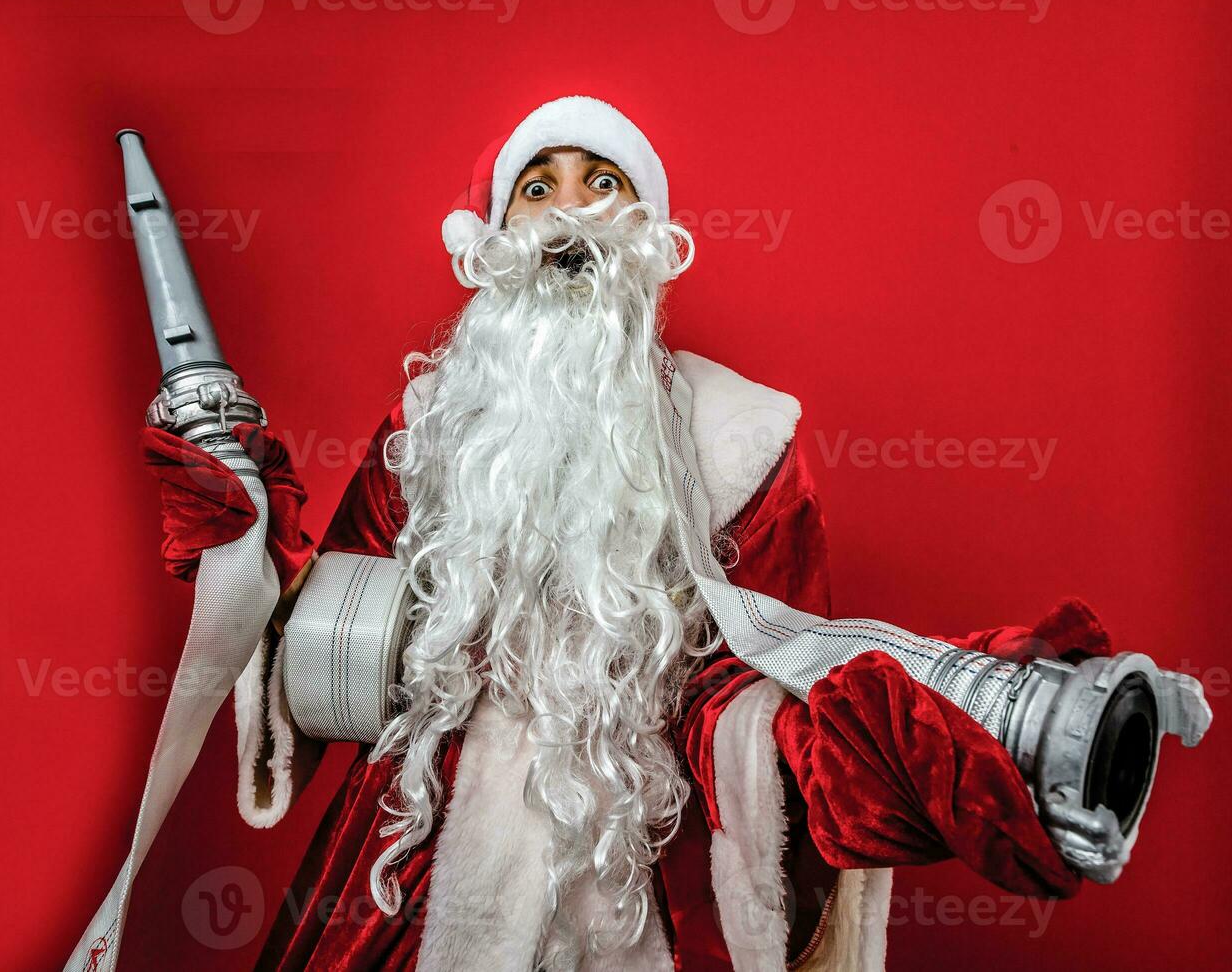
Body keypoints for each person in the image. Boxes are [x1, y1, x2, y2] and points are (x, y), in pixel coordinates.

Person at [145, 95, 1112, 971]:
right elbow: (327, 643)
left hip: (638, 853)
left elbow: (772, 684)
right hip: (425, 859)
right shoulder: (429, 426)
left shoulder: (743, 439)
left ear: (648, 231)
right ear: (494, 235)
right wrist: (240, 542)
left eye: (601, 184)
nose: (570, 213)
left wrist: (896, 742)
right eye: (540, 187)